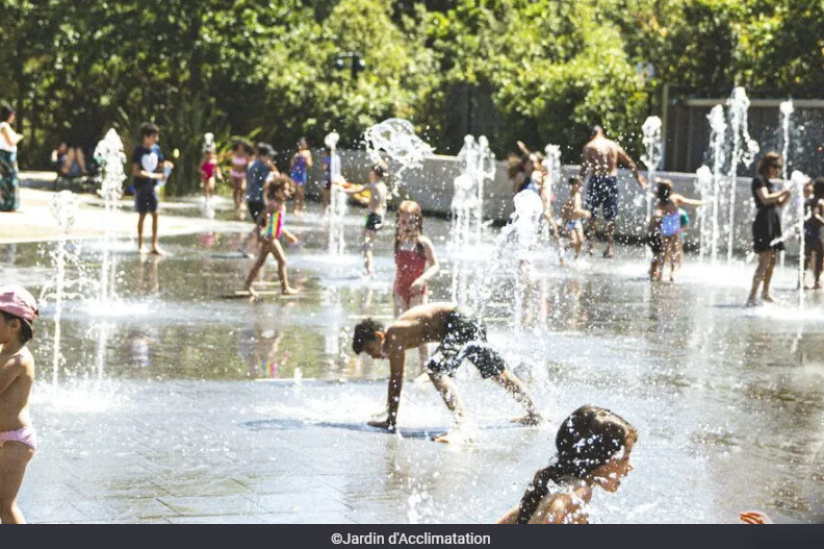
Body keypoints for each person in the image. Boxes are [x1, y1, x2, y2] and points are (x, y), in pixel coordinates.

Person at [352, 302, 544, 443]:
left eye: (371, 350)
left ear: (379, 336)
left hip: (459, 321)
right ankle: (535, 413)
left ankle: (463, 426)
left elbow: (396, 378)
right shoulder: (398, 333)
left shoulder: (394, 334)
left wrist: (391, 421)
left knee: (435, 371)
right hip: (469, 319)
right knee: (498, 373)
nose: (374, 357)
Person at [497, 405, 637, 524]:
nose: (630, 467)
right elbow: (557, 509)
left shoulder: (554, 485)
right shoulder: (580, 491)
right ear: (600, 458)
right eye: (625, 458)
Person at [0, 285, 39, 524]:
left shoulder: (18, 359)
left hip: (15, 440)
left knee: (5, 505)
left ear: (15, 326)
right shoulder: (3, 353)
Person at [580, 125, 648, 258]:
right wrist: (639, 178)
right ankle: (610, 247)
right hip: (611, 180)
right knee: (610, 215)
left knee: (591, 213)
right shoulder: (613, 145)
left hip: (596, 180)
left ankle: (590, 246)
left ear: (591, 135)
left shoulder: (589, 146)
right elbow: (629, 162)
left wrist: (578, 184)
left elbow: (584, 169)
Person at [393, 201, 440, 375]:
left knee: (421, 332)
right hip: (400, 291)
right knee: (399, 330)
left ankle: (424, 370)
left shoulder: (423, 243)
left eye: (411, 222)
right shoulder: (399, 242)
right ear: (398, 222)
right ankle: (399, 370)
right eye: (403, 222)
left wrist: (422, 279)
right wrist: (394, 291)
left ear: (418, 221)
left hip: (418, 292)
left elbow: (435, 266)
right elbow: (398, 270)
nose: (407, 226)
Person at [243, 174, 299, 300]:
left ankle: (247, 286)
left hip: (270, 237)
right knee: (282, 261)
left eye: (288, 189)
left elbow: (277, 224)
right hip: (270, 238)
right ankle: (285, 288)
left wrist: (287, 234)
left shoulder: (280, 205)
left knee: (259, 263)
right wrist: (258, 236)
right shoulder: (273, 205)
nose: (287, 192)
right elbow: (259, 219)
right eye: (284, 190)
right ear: (277, 192)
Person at [747, 152, 791, 306]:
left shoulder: (769, 182)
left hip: (773, 221)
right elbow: (765, 199)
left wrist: (788, 194)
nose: (777, 170)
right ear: (767, 165)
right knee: (764, 260)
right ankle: (752, 296)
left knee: (772, 260)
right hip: (763, 222)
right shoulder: (758, 180)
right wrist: (782, 192)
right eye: (775, 166)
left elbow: (779, 204)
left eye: (779, 167)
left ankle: (766, 292)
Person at [336, 160, 389, 275]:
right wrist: (361, 198)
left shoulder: (373, 185)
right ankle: (368, 269)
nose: (369, 174)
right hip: (379, 217)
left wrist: (342, 189)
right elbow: (374, 202)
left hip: (372, 217)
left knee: (366, 245)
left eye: (370, 172)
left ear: (375, 173)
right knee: (367, 244)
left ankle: (369, 270)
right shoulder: (383, 186)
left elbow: (357, 190)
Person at [646, 179, 704, 282]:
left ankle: (660, 272)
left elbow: (657, 215)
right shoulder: (675, 198)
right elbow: (690, 202)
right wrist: (703, 202)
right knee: (674, 250)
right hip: (674, 228)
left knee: (664, 250)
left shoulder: (661, 202)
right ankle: (672, 272)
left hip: (665, 227)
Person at [131, 122, 169, 255]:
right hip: (141, 186)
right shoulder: (138, 151)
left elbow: (160, 164)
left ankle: (154, 244)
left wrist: (166, 167)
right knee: (142, 215)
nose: (156, 139)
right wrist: (154, 175)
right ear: (146, 137)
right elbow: (136, 171)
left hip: (152, 187)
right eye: (153, 136)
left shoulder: (156, 150)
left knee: (155, 214)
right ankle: (141, 244)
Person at [240, 143, 278, 257]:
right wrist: (274, 176)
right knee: (263, 224)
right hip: (258, 199)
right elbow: (266, 184)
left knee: (261, 224)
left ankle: (255, 247)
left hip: (251, 199)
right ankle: (248, 247)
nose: (271, 159)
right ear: (262, 156)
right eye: (269, 156)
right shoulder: (261, 166)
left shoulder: (253, 164)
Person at [560, 177, 592, 261]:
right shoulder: (571, 196)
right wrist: (585, 212)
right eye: (578, 184)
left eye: (581, 185)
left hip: (577, 222)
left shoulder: (578, 195)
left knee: (581, 241)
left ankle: (576, 258)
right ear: (573, 186)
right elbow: (576, 210)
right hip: (569, 222)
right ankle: (563, 251)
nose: (580, 186)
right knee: (574, 242)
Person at [0, 104, 23, 212]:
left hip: (7, 154)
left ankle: (8, 203)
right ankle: (10, 204)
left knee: (7, 178)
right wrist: (18, 137)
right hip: (6, 155)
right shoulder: (4, 126)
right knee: (11, 178)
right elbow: (11, 141)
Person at [803, 178, 824, 290]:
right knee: (819, 254)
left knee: (806, 257)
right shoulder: (817, 201)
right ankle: (816, 281)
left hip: (807, 232)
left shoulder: (810, 199)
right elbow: (815, 215)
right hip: (813, 233)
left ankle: (801, 282)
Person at [229, 140, 253, 216]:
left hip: (242, 174)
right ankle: (236, 203)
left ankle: (242, 202)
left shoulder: (246, 155)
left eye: (242, 147)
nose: (240, 148)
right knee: (235, 189)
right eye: (239, 146)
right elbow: (224, 156)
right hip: (234, 173)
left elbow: (252, 162)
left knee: (242, 188)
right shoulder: (234, 153)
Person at [290, 137, 313, 215]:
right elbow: (292, 164)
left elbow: (310, 164)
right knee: (295, 191)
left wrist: (304, 159)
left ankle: (301, 208)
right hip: (295, 173)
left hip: (302, 173)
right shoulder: (296, 153)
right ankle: (295, 208)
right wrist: (295, 159)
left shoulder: (307, 153)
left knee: (301, 192)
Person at [322, 145, 341, 212]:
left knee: (326, 196)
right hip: (336, 179)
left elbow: (323, 168)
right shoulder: (337, 158)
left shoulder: (327, 158)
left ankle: (325, 211)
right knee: (334, 196)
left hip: (328, 178)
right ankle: (334, 210)